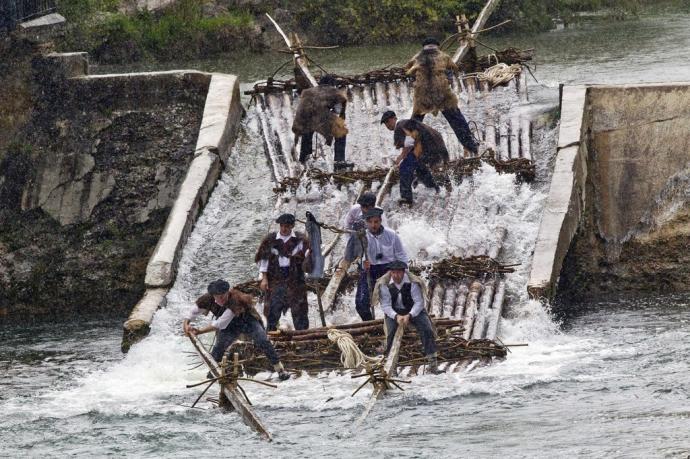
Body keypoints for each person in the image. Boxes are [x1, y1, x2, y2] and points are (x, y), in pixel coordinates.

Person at [183, 279, 290, 380]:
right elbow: (192, 311)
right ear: (213, 296)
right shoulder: (207, 298)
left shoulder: (236, 299)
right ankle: (212, 375)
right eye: (217, 297)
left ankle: (280, 370)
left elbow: (220, 324)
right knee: (218, 348)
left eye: (222, 296)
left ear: (227, 292)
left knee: (263, 340)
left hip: (248, 321)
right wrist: (186, 323)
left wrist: (199, 331)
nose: (220, 299)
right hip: (230, 327)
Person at [405, 37, 478, 155]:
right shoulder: (444, 56)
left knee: (415, 123)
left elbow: (407, 69)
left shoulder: (416, 58)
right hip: (443, 95)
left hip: (423, 96)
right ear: (437, 46)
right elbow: (455, 69)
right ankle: (471, 146)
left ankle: (410, 151)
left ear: (424, 47)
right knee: (457, 121)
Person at [371, 260, 443, 374]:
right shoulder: (383, 283)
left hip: (413, 309)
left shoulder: (413, 282)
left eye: (398, 273)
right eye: (393, 273)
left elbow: (419, 302)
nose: (396, 275)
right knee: (390, 334)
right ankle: (392, 366)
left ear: (403, 272)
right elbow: (385, 305)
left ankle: (433, 364)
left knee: (427, 329)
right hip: (393, 311)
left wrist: (410, 315)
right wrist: (396, 316)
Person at [255, 213, 311, 331]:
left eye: (287, 226)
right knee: (272, 309)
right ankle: (271, 334)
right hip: (276, 279)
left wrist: (311, 256)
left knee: (299, 310)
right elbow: (264, 260)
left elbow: (307, 254)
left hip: (295, 279)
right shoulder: (270, 240)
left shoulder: (300, 240)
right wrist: (264, 278)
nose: (284, 229)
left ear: (292, 226)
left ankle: (302, 334)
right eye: (282, 226)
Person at [381, 111, 448, 205]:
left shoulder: (399, 126)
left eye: (388, 121)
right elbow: (412, 141)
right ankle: (433, 188)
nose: (387, 125)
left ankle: (406, 199)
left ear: (394, 118)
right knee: (419, 167)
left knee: (404, 167)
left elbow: (409, 143)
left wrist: (400, 159)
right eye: (385, 123)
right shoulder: (406, 123)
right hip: (436, 147)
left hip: (428, 146)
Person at [354, 207, 409, 321]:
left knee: (396, 301)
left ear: (380, 221)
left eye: (376, 222)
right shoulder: (362, 236)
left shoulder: (392, 235)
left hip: (389, 269)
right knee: (361, 303)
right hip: (370, 270)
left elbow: (401, 255)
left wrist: (400, 272)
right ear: (366, 222)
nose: (373, 225)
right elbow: (357, 256)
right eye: (370, 222)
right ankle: (370, 325)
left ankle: (394, 322)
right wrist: (363, 264)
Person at [292, 74, 352, 171]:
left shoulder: (307, 92)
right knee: (341, 132)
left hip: (302, 119)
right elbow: (338, 110)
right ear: (332, 84)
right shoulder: (334, 92)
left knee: (307, 135)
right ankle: (339, 161)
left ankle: (304, 159)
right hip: (319, 119)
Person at [342, 191, 387, 262]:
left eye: (367, 207)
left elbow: (384, 233)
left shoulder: (379, 214)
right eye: (363, 206)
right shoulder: (355, 209)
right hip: (357, 237)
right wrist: (348, 240)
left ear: (373, 206)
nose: (364, 209)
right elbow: (347, 225)